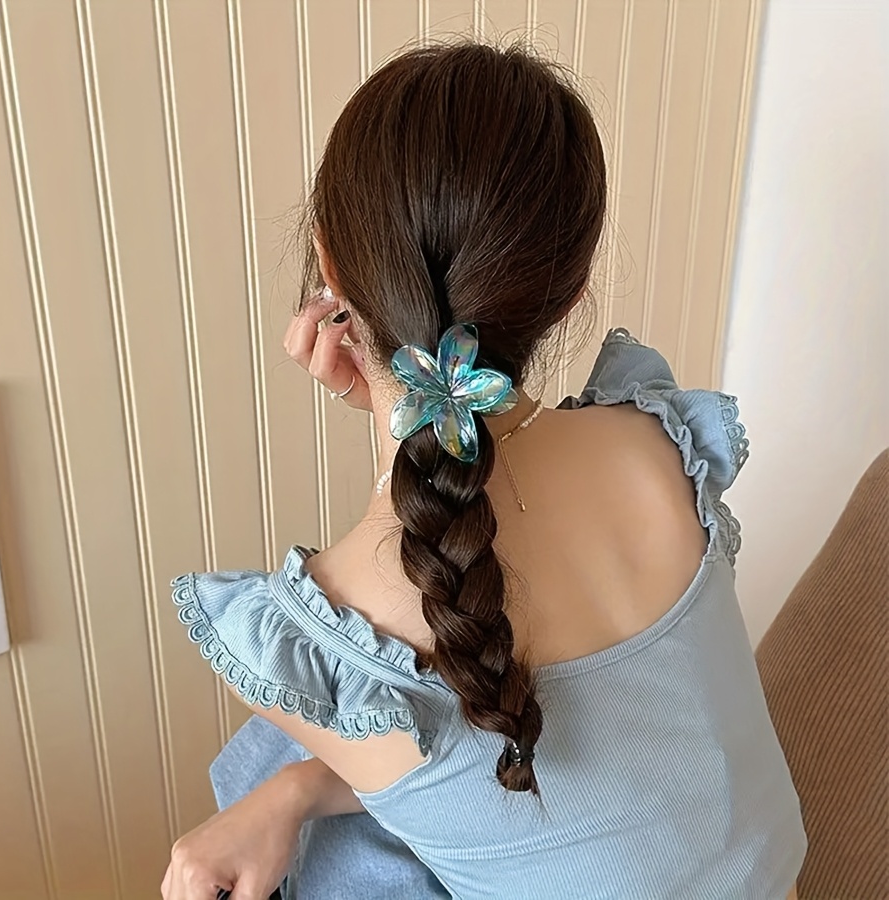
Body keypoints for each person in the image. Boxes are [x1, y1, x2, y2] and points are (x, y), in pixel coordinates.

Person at [161, 42, 805, 900]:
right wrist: (298, 792)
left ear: (331, 270)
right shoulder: (663, 450)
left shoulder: (333, 633)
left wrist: (385, 412)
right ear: (570, 293)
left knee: (266, 761)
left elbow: (435, 737)